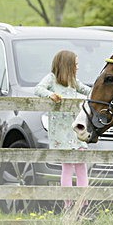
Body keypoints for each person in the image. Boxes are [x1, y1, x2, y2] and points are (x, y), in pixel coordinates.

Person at [34, 50, 92, 212]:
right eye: (76, 64)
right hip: (61, 130)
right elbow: (38, 89)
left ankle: (83, 202)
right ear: (67, 65)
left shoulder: (74, 81)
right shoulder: (52, 79)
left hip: (76, 128)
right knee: (67, 166)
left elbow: (88, 91)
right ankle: (68, 203)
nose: (78, 67)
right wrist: (50, 95)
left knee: (81, 165)